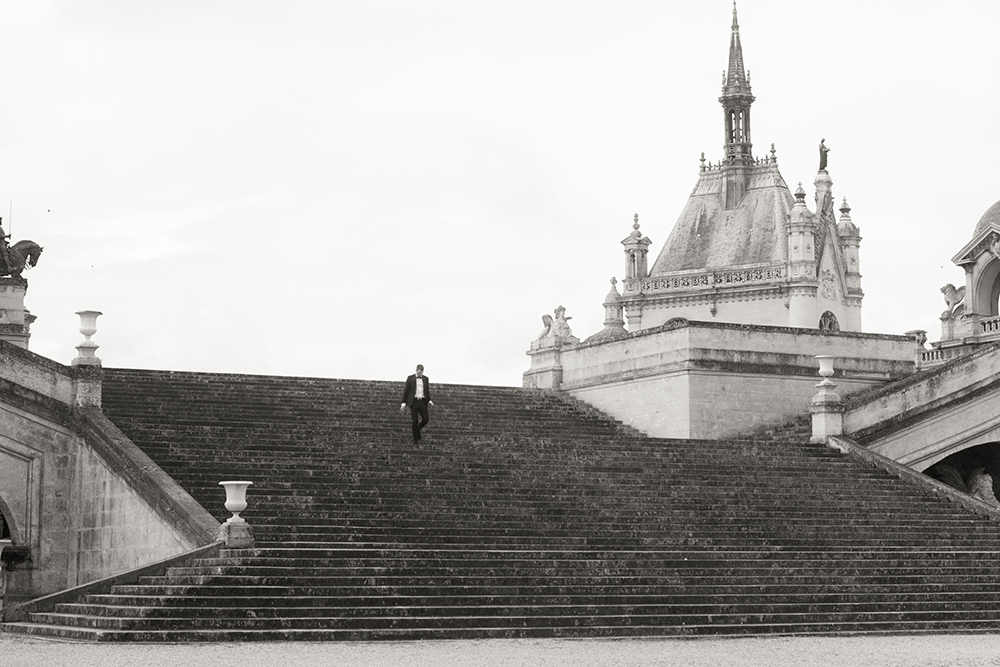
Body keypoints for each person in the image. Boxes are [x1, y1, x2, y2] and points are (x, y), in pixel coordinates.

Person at [400, 364, 434, 444]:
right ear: (416, 370)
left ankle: (417, 430)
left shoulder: (425, 379)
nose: (420, 373)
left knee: (425, 419)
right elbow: (406, 390)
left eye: (421, 371)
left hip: (422, 401)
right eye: (419, 371)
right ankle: (416, 438)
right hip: (414, 401)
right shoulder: (410, 378)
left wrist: (429, 400)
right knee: (415, 420)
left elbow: (426, 391)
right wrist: (403, 402)